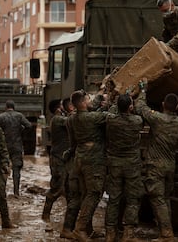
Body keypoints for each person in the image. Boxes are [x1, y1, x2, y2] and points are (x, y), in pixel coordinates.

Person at [134, 80, 178, 242]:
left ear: (163, 104)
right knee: (165, 198)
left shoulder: (158, 120)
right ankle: (166, 231)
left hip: (155, 165)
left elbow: (141, 108)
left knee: (157, 199)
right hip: (170, 165)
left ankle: (166, 234)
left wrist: (143, 91)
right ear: (177, 107)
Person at [66, 90, 109, 241]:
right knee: (94, 194)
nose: (91, 100)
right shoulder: (92, 118)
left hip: (80, 159)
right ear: (83, 103)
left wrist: (99, 96)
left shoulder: (72, 118)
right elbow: (111, 116)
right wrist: (110, 102)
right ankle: (80, 228)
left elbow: (93, 107)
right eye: (88, 98)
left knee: (86, 195)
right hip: (93, 162)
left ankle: (88, 229)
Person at [104, 94, 144, 242]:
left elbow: (113, 111)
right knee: (132, 199)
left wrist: (117, 103)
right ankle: (128, 233)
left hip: (114, 164)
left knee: (113, 199)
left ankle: (110, 233)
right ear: (131, 107)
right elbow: (139, 114)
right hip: (132, 165)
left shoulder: (111, 120)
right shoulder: (137, 121)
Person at [0, 99, 32, 196]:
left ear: (6, 107)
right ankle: (16, 192)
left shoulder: (0, 117)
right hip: (17, 145)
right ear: (14, 106)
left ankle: (2, 192)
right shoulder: (19, 116)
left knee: (4, 168)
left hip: (4, 146)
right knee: (16, 169)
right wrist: (21, 130)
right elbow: (29, 125)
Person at [42, 99, 69, 223]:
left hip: (62, 158)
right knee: (56, 188)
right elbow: (72, 121)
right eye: (62, 106)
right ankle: (45, 215)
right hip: (58, 159)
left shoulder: (59, 118)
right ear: (58, 109)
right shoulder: (58, 119)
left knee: (69, 190)